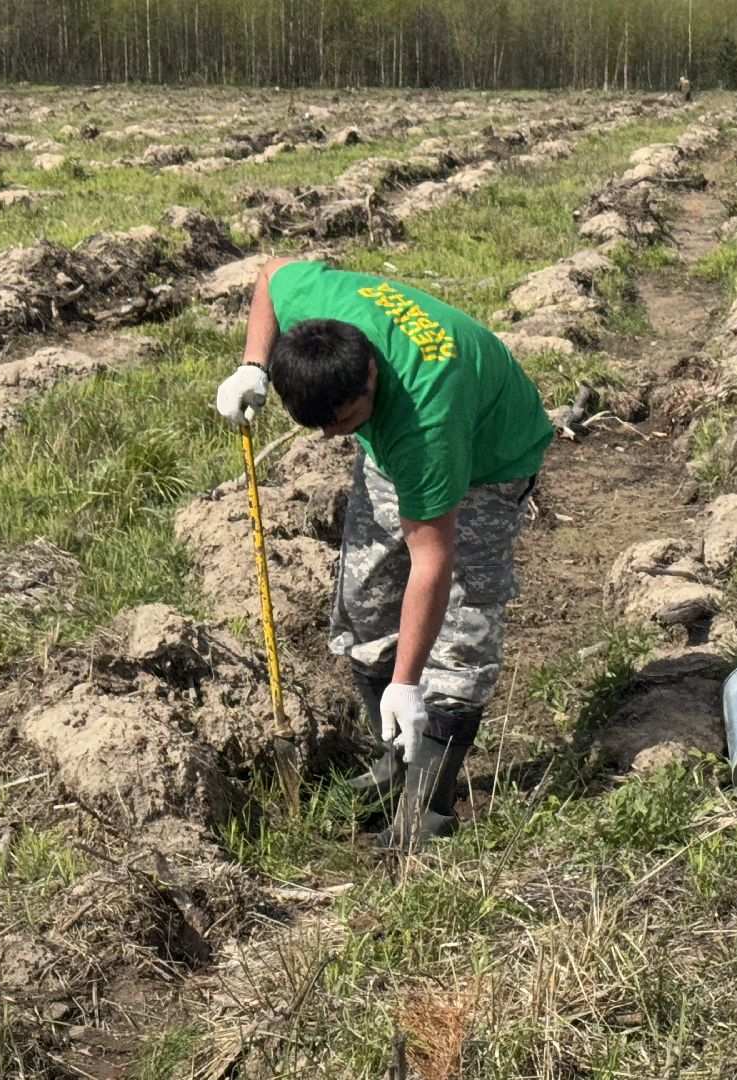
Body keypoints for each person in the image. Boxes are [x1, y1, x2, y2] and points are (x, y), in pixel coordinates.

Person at [216, 259, 551, 851]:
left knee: (460, 633)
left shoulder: (428, 426)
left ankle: (431, 805)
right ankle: (397, 755)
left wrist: (408, 682)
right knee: (365, 601)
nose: (332, 437)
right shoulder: (322, 312)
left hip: (488, 457)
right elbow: (271, 274)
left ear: (370, 372)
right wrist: (251, 365)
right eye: (317, 426)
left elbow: (434, 560)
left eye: (342, 420)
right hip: (400, 429)